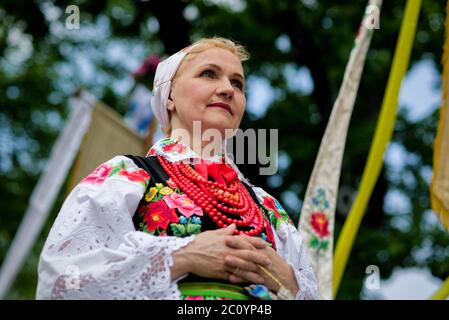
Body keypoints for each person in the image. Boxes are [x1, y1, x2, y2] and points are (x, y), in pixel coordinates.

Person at [36, 37, 320, 300]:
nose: (227, 89)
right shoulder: (126, 176)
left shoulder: (267, 206)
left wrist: (289, 282)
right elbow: (60, 282)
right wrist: (183, 256)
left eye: (238, 84)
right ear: (169, 94)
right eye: (209, 73)